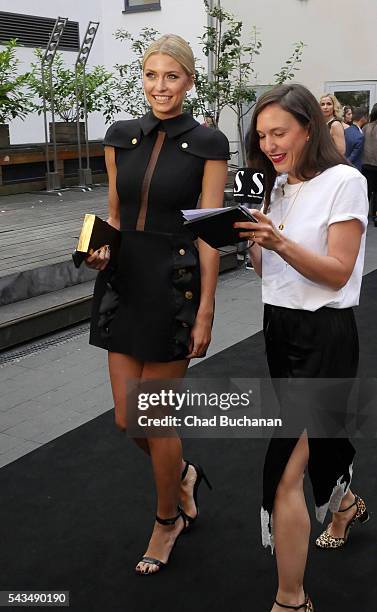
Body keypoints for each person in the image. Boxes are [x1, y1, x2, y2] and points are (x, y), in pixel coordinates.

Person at [86, 34, 229, 575]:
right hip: (123, 283)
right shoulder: (120, 137)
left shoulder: (210, 142)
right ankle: (184, 474)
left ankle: (167, 520)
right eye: (151, 75)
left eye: (171, 76)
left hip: (175, 284)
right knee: (129, 420)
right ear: (141, 79)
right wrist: (97, 250)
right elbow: (115, 215)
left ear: (189, 81)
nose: (159, 86)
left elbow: (210, 232)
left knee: (155, 417)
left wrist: (207, 310)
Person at [235, 83, 369, 612]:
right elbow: (271, 272)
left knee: (286, 465)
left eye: (279, 132)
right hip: (279, 331)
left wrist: (278, 241)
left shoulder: (345, 181)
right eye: (262, 134)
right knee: (321, 442)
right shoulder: (277, 187)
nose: (269, 144)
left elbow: (337, 274)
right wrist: (252, 240)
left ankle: (290, 599)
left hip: (326, 336)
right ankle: (348, 504)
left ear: (308, 128)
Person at [362, 102, 377, 226]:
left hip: (366, 165)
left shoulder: (366, 127)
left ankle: (363, 216)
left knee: (366, 192)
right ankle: (376, 216)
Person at [345, 106, 369, 171]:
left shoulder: (345, 130)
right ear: (363, 118)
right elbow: (353, 157)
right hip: (353, 170)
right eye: (367, 116)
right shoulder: (360, 137)